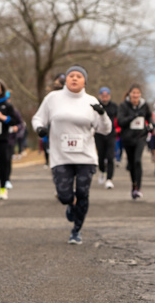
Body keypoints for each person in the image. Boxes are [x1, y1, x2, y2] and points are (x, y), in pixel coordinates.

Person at [31, 65, 112, 244]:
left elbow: (105, 130)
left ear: (85, 82)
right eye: (71, 76)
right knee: (64, 195)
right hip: (61, 157)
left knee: (83, 193)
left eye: (79, 76)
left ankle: (76, 230)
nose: (74, 78)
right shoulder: (53, 98)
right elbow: (37, 118)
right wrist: (39, 128)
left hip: (85, 157)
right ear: (66, 80)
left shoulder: (91, 101)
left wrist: (102, 114)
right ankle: (70, 203)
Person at [116, 84, 152, 200]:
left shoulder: (144, 105)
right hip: (128, 138)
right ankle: (134, 185)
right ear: (130, 94)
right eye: (133, 93)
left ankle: (139, 188)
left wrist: (151, 124)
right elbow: (120, 121)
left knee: (137, 161)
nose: (135, 95)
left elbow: (149, 116)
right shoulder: (123, 105)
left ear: (140, 94)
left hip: (140, 137)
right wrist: (134, 116)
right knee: (131, 163)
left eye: (137, 93)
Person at [93, 87, 118, 188]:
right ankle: (102, 171)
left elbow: (118, 119)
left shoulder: (114, 106)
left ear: (109, 96)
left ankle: (109, 179)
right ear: (100, 96)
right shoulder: (96, 106)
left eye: (106, 96)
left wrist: (118, 129)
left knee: (110, 157)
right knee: (101, 156)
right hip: (99, 134)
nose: (104, 98)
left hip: (111, 134)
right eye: (103, 96)